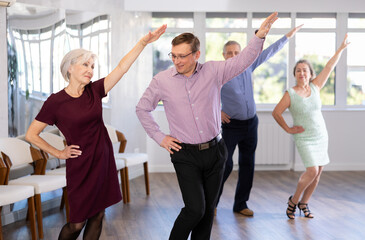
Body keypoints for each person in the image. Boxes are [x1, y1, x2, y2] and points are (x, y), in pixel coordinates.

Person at [136, 13, 278, 240]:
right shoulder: (162, 80)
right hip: (185, 154)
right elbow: (142, 109)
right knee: (195, 209)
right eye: (174, 56)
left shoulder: (213, 71)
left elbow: (242, 61)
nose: (177, 61)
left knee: (207, 212)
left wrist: (259, 36)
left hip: (215, 152)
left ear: (196, 54)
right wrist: (160, 137)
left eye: (182, 56)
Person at [25, 25, 166, 239]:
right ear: (69, 68)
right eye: (85, 64)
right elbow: (31, 134)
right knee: (76, 222)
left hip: (103, 159)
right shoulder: (55, 102)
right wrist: (59, 153)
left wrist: (143, 43)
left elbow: (121, 68)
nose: (90, 69)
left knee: (99, 215)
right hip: (80, 165)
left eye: (92, 65)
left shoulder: (95, 90)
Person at [216, 25, 303, 217]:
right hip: (231, 126)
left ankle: (240, 204)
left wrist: (287, 36)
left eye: (236, 52)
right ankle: (212, 204)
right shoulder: (219, 73)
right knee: (226, 164)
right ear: (224, 55)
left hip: (251, 124)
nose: (233, 55)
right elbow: (203, 95)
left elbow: (270, 52)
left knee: (248, 164)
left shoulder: (248, 65)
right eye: (229, 53)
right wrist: (217, 111)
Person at [272, 34, 350, 219]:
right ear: (294, 74)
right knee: (312, 170)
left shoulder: (316, 87)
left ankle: (304, 204)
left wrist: (340, 50)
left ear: (310, 74)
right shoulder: (290, 94)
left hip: (321, 135)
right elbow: (276, 112)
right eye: (298, 70)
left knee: (317, 174)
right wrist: (289, 129)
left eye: (305, 70)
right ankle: (294, 201)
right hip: (304, 137)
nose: (301, 73)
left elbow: (330, 66)